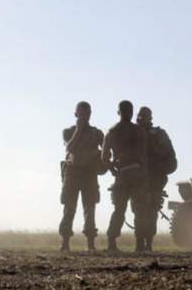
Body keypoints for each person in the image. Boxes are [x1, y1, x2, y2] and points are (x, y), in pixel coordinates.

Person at [102, 100, 151, 253]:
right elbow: (143, 155)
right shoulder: (139, 131)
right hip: (137, 174)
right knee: (139, 210)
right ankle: (139, 244)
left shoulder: (111, 132)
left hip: (121, 175)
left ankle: (111, 243)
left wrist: (113, 170)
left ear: (118, 112)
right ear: (131, 112)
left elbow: (104, 158)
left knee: (119, 209)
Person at [58, 101, 105, 252]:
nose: (84, 116)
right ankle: (65, 242)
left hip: (89, 174)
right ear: (76, 114)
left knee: (90, 209)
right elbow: (70, 147)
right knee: (69, 208)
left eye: (87, 113)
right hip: (72, 173)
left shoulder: (97, 133)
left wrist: (98, 159)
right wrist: (78, 130)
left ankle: (91, 243)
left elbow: (105, 152)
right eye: (81, 113)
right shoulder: (68, 131)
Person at [136, 106, 177, 252]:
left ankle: (148, 243)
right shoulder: (132, 133)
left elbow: (171, 160)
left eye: (144, 117)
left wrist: (159, 170)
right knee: (139, 210)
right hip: (137, 179)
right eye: (139, 116)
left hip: (154, 179)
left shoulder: (159, 135)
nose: (140, 119)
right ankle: (140, 242)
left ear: (150, 118)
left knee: (151, 211)